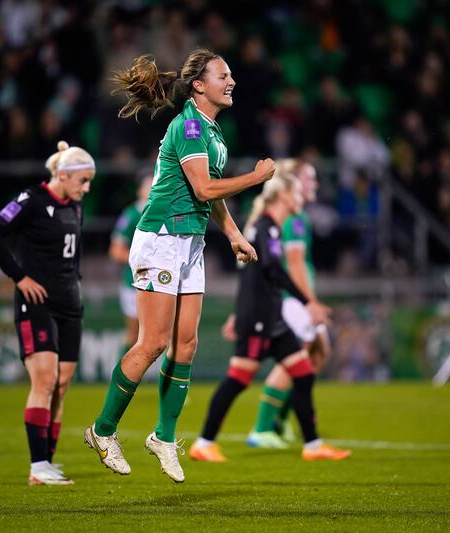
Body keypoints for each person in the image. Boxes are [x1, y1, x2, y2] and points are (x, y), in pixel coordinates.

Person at [82, 48, 275, 483]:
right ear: (198, 85)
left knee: (185, 345)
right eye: (223, 75)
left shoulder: (211, 131)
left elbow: (211, 196)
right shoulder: (188, 125)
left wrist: (234, 234)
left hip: (189, 243)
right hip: (162, 238)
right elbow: (204, 187)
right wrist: (256, 177)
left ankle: (163, 437)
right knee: (152, 343)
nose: (232, 82)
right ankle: (103, 429)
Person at [188, 174, 349, 462]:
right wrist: (307, 303)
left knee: (302, 373)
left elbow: (254, 276)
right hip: (259, 319)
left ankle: (313, 446)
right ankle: (203, 443)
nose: (301, 198)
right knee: (238, 380)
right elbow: (272, 270)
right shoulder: (266, 227)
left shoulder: (269, 227)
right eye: (297, 193)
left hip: (272, 318)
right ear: (284, 196)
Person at [0, 140, 95, 485]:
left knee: (61, 384)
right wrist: (20, 277)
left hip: (69, 305)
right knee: (44, 381)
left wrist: (76, 284)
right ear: (63, 175)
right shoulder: (30, 200)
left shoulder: (74, 206)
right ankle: (38, 465)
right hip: (37, 303)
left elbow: (71, 257)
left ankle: (48, 463)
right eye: (83, 181)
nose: (86, 189)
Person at [246, 159, 332, 448]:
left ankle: (278, 422)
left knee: (317, 354)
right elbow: (294, 264)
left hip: (288, 299)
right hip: (290, 301)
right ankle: (263, 427)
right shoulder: (295, 220)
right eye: (310, 179)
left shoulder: (295, 217)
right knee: (297, 358)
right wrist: (310, 303)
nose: (315, 185)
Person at [108, 174, 153, 355]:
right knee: (134, 334)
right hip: (134, 282)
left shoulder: (165, 212)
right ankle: (121, 376)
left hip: (161, 281)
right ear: (139, 191)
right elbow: (115, 250)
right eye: (148, 186)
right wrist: (143, 260)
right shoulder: (132, 214)